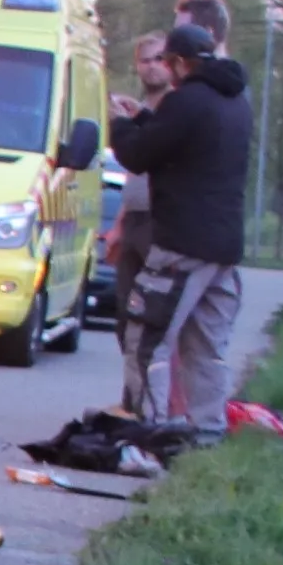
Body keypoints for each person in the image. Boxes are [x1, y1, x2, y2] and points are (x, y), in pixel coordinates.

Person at [108, 21, 253, 435]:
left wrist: (121, 123)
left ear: (177, 63)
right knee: (207, 345)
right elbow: (180, 143)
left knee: (146, 335)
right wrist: (146, 121)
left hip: (182, 242)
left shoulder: (186, 100)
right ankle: (207, 430)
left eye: (166, 62)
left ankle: (147, 428)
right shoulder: (237, 100)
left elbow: (138, 156)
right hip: (224, 247)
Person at [107, 31, 171, 412]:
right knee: (124, 316)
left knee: (152, 317)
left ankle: (149, 405)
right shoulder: (141, 111)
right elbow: (133, 175)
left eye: (159, 58)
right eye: (145, 59)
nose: (152, 66)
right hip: (133, 222)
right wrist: (118, 224)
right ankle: (132, 398)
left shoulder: (174, 110)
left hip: (160, 222)